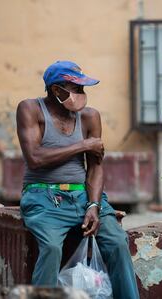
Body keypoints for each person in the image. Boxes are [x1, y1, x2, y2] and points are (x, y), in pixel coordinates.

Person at [16, 61, 139, 299]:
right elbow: (34, 158)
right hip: (43, 196)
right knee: (51, 248)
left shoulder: (90, 117)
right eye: (76, 88)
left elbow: (96, 166)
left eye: (83, 89)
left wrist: (93, 205)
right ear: (56, 90)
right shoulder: (30, 109)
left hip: (83, 195)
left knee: (117, 242)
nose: (82, 94)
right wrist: (82, 145)